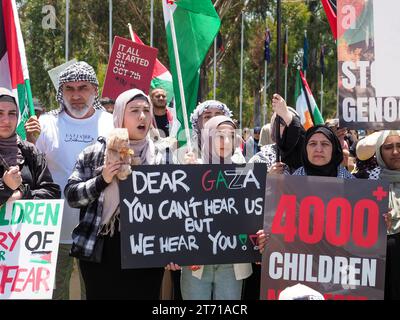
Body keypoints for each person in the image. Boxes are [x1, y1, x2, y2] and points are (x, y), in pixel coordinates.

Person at [64, 88, 166, 300]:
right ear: (119, 115)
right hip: (104, 249)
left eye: (147, 110)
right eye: (135, 110)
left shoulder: (162, 156)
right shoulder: (94, 153)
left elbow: (176, 209)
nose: (142, 116)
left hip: (146, 249)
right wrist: (103, 180)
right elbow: (72, 196)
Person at [28, 61, 114, 300]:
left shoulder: (111, 123)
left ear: (95, 91)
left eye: (83, 88)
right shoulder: (45, 124)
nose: (76, 95)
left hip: (98, 231)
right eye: (69, 89)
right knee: (55, 294)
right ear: (61, 92)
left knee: (95, 293)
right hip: (54, 231)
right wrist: (30, 140)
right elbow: (31, 170)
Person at [180, 115, 256, 300]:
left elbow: (252, 214)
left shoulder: (246, 172)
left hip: (232, 263)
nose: (226, 141)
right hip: (196, 261)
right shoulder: (190, 168)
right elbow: (177, 214)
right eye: (219, 135)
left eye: (231, 135)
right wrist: (188, 177)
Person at [0, 88, 60, 205]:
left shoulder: (29, 151)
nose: (6, 120)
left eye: (12, 113)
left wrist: (22, 194)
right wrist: (6, 187)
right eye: (0, 113)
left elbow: (52, 192)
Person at [249, 94, 305, 175]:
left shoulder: (309, 157)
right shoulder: (262, 157)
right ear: (274, 127)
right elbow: (249, 184)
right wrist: (268, 177)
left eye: (290, 122)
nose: (287, 126)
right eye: (281, 121)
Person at [374, 130, 400, 300]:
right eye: (388, 147)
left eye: (399, 146)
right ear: (380, 153)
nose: (395, 152)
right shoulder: (370, 180)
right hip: (379, 259)